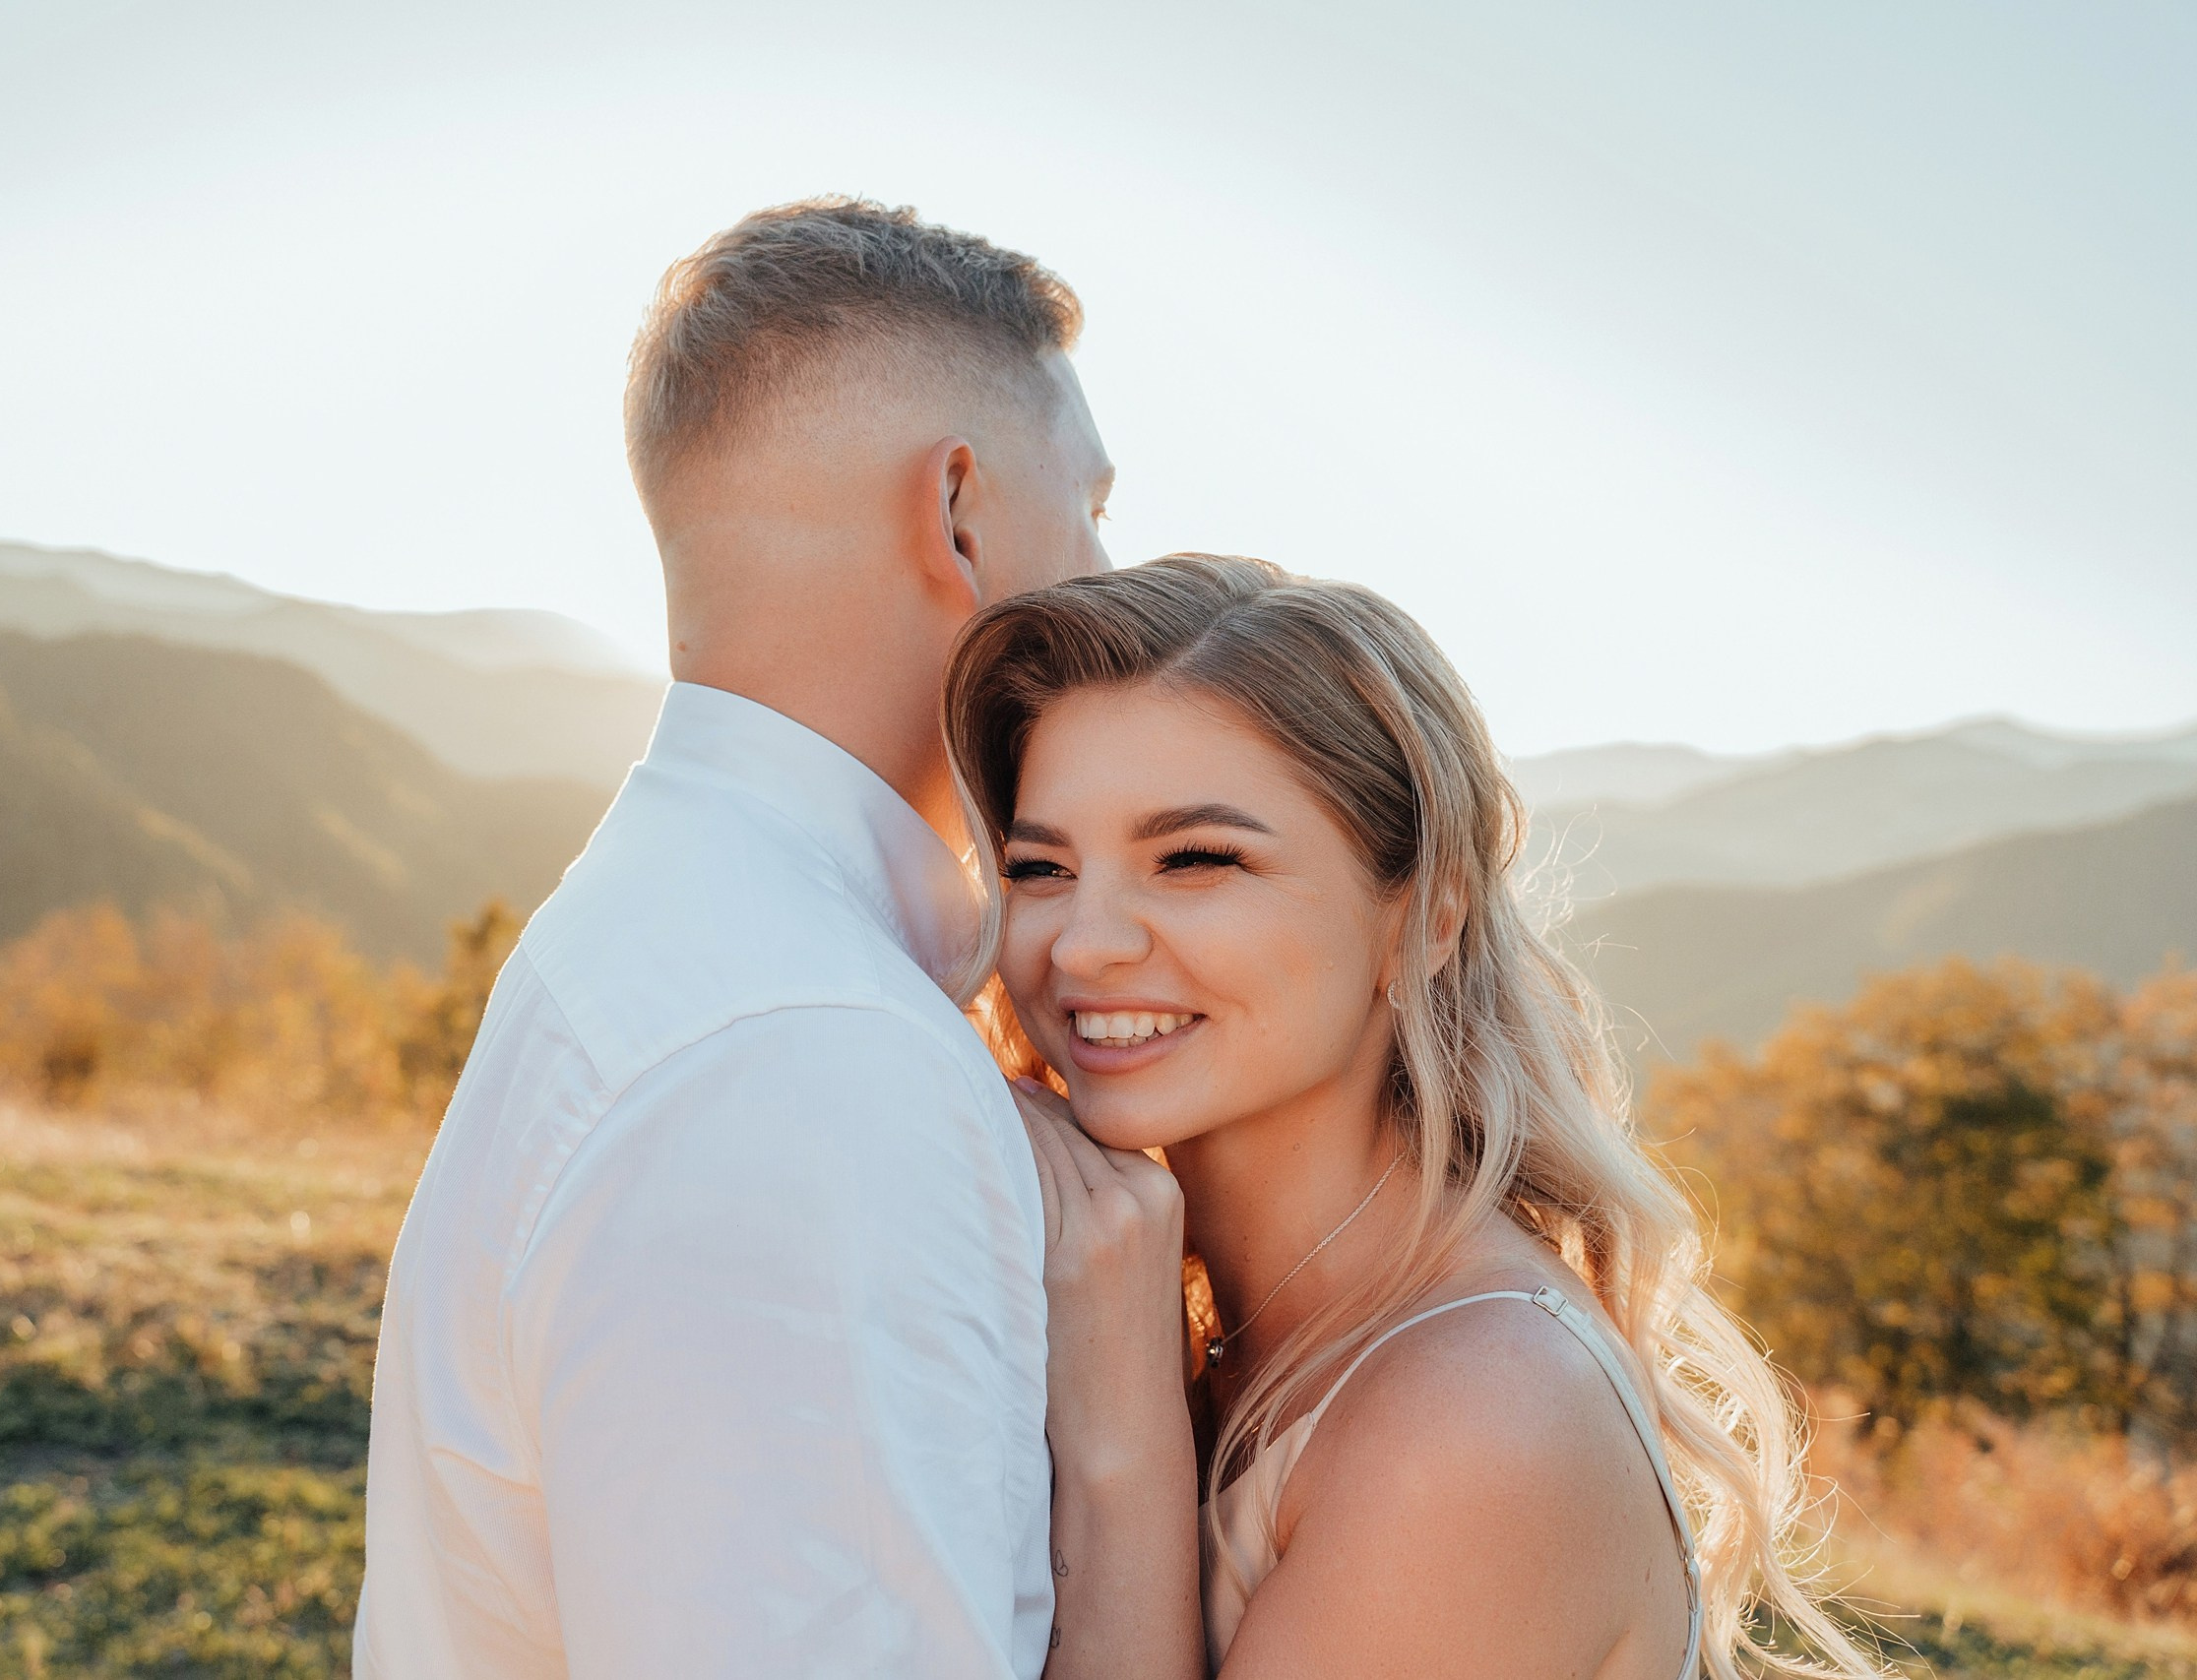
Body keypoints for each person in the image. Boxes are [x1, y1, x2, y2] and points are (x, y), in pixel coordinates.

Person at [353, 198, 1114, 1678]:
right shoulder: (807, 1054)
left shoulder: (688, 934)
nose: (1108, 574)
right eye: (1090, 507)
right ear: (958, 511)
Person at [942, 554, 1881, 1678]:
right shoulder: (1189, 1307)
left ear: (1427, 913)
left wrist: (1120, 1447)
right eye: (1040, 867)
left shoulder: (1477, 1414)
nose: (1086, 944)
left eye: (1194, 859)